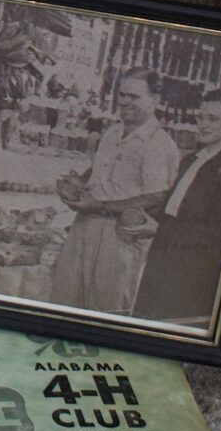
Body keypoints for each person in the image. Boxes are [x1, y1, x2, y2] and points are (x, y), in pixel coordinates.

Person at [45, 68, 179, 316]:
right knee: (67, 301)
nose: (125, 102)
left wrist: (101, 206)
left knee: (106, 309)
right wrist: (78, 183)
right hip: (85, 227)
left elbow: (158, 197)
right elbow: (99, 170)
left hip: (120, 238)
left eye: (134, 96)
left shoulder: (159, 145)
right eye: (122, 94)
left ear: (155, 100)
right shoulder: (112, 132)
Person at [128, 86, 221, 325]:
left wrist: (162, 230)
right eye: (200, 117)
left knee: (175, 324)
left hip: (194, 267)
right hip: (163, 258)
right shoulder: (191, 160)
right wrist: (147, 218)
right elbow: (175, 209)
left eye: (212, 119)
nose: (202, 124)